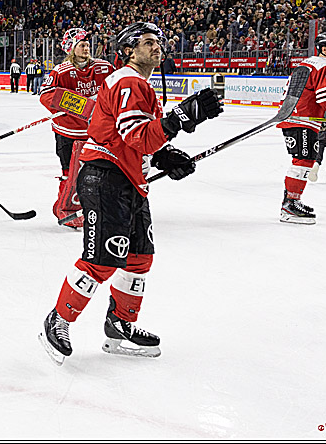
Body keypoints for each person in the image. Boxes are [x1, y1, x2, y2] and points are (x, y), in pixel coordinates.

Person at [38, 22, 223, 365]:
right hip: (105, 178)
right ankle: (58, 319)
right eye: (148, 42)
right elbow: (138, 135)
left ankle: (119, 323)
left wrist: (167, 156)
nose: (157, 46)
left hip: (128, 178)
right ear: (128, 50)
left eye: (158, 41)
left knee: (139, 258)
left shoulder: (139, 84)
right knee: (102, 260)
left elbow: (140, 142)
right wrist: (180, 118)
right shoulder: (128, 81)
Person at [275, 32, 326, 223]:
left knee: (303, 160)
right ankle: (289, 206)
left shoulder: (306, 63)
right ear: (325, 49)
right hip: (302, 119)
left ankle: (291, 202)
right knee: (303, 161)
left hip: (293, 117)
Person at [38, 28, 114, 228]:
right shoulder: (61, 71)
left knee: (98, 171)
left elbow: (118, 86)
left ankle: (96, 206)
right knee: (69, 173)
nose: (86, 47)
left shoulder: (104, 68)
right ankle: (66, 210)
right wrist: (84, 105)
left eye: (88, 44)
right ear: (70, 48)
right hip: (68, 132)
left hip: (95, 131)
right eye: (81, 44)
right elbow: (46, 95)